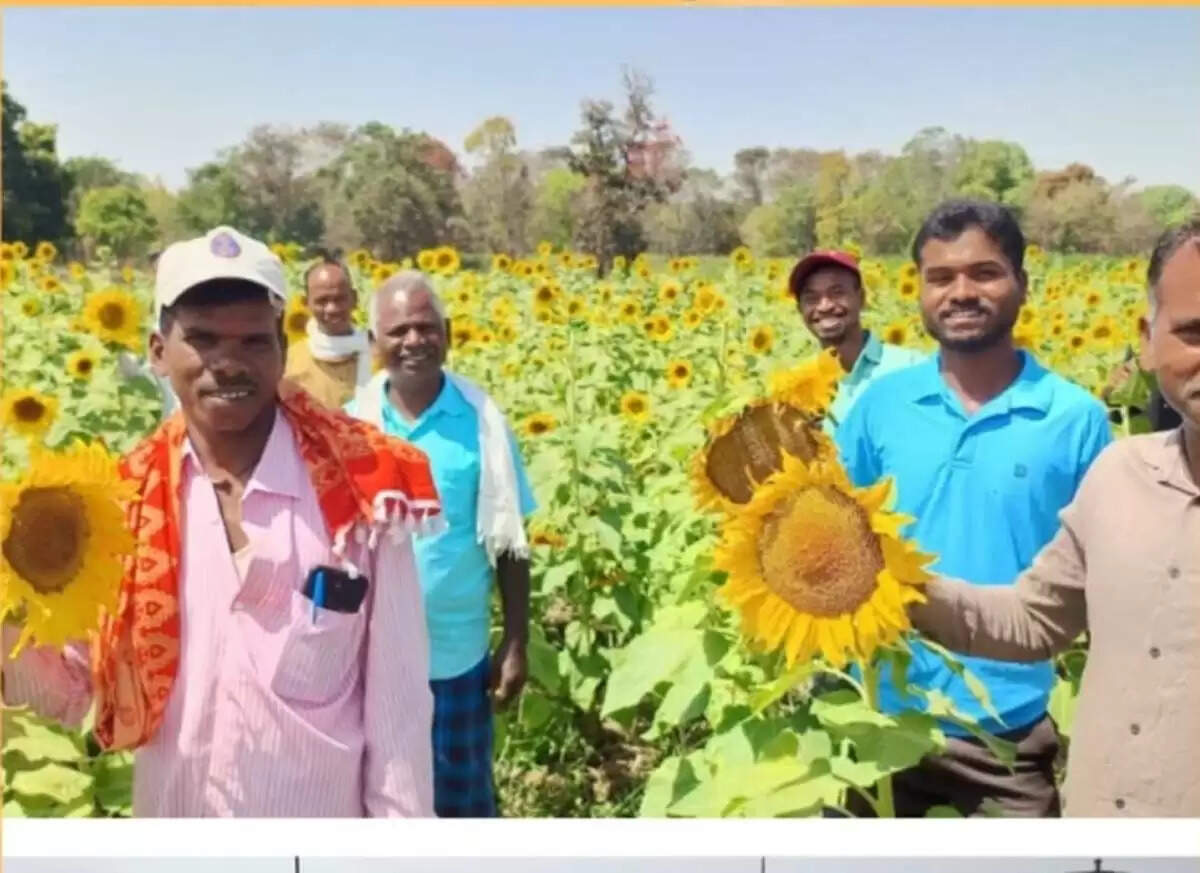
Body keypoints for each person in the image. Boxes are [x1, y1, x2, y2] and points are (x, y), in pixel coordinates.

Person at [2, 226, 441, 817]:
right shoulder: (116, 507)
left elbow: (399, 719)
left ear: (282, 352)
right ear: (158, 352)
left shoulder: (363, 491)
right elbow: (71, 691)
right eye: (203, 339)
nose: (228, 364)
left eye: (254, 342)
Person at [909, 216, 1200, 816]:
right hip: (1097, 827)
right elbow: (1034, 620)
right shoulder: (1120, 474)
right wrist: (886, 584)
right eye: (1194, 332)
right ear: (1147, 340)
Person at [835, 200, 1113, 817]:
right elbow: (835, 529)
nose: (961, 292)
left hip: (1004, 734)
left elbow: (1103, 575)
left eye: (984, 273)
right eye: (940, 278)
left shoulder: (1075, 420)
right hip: (879, 714)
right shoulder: (881, 406)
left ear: (1021, 283)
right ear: (921, 292)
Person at [346, 270, 537, 818]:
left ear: (448, 333)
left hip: (455, 655)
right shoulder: (351, 429)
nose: (414, 340)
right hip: (368, 656)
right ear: (373, 342)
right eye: (399, 329)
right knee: (375, 802)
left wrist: (516, 640)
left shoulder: (483, 423)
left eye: (426, 327)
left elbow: (509, 542)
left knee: (460, 804)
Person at [787, 249, 924, 432]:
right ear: (800, 310)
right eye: (811, 298)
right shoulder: (798, 387)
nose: (824, 306)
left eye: (837, 293)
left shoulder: (910, 368)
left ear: (861, 298)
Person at [284, 256, 374, 409]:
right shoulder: (289, 365)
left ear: (354, 299)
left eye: (340, 299)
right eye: (322, 301)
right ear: (307, 303)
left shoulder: (379, 355)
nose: (332, 309)